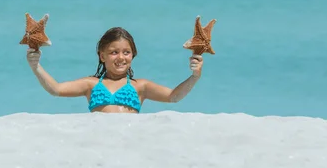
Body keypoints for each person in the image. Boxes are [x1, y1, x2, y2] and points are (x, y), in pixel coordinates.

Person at [26, 27, 204, 113]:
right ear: (102, 56)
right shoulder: (91, 84)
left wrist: (194, 77)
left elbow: (173, 96)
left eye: (126, 52)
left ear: (133, 55)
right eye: (114, 52)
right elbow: (56, 89)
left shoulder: (140, 86)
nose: (121, 57)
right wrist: (36, 67)